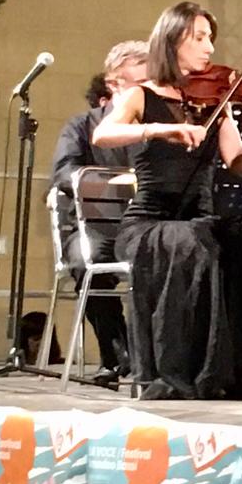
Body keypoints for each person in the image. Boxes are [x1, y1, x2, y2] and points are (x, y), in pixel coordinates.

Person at [93, 3, 242, 400]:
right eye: (199, 38)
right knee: (193, 243)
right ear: (172, 41)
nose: (209, 48)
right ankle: (189, 372)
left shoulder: (214, 101)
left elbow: (240, 163)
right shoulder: (140, 96)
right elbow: (103, 135)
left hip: (198, 222)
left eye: (210, 38)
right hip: (149, 224)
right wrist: (160, 130)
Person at [49, 39, 147, 384]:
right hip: (96, 225)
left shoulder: (154, 128)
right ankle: (117, 355)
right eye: (141, 83)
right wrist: (117, 181)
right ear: (114, 84)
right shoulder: (82, 126)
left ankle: (158, 358)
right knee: (83, 259)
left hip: (143, 225)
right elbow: (64, 172)